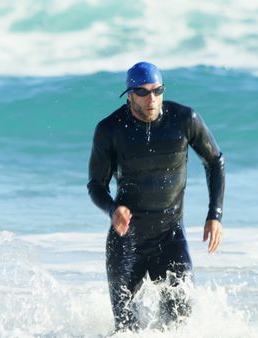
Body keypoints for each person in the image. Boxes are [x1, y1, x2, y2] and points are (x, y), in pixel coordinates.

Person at [87, 61, 225, 331]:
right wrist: (112, 209)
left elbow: (215, 161)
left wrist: (215, 214)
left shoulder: (184, 120)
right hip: (127, 242)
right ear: (129, 95)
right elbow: (96, 185)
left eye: (157, 91)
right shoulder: (109, 130)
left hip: (170, 237)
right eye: (143, 92)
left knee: (178, 324)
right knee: (127, 329)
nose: (152, 99)